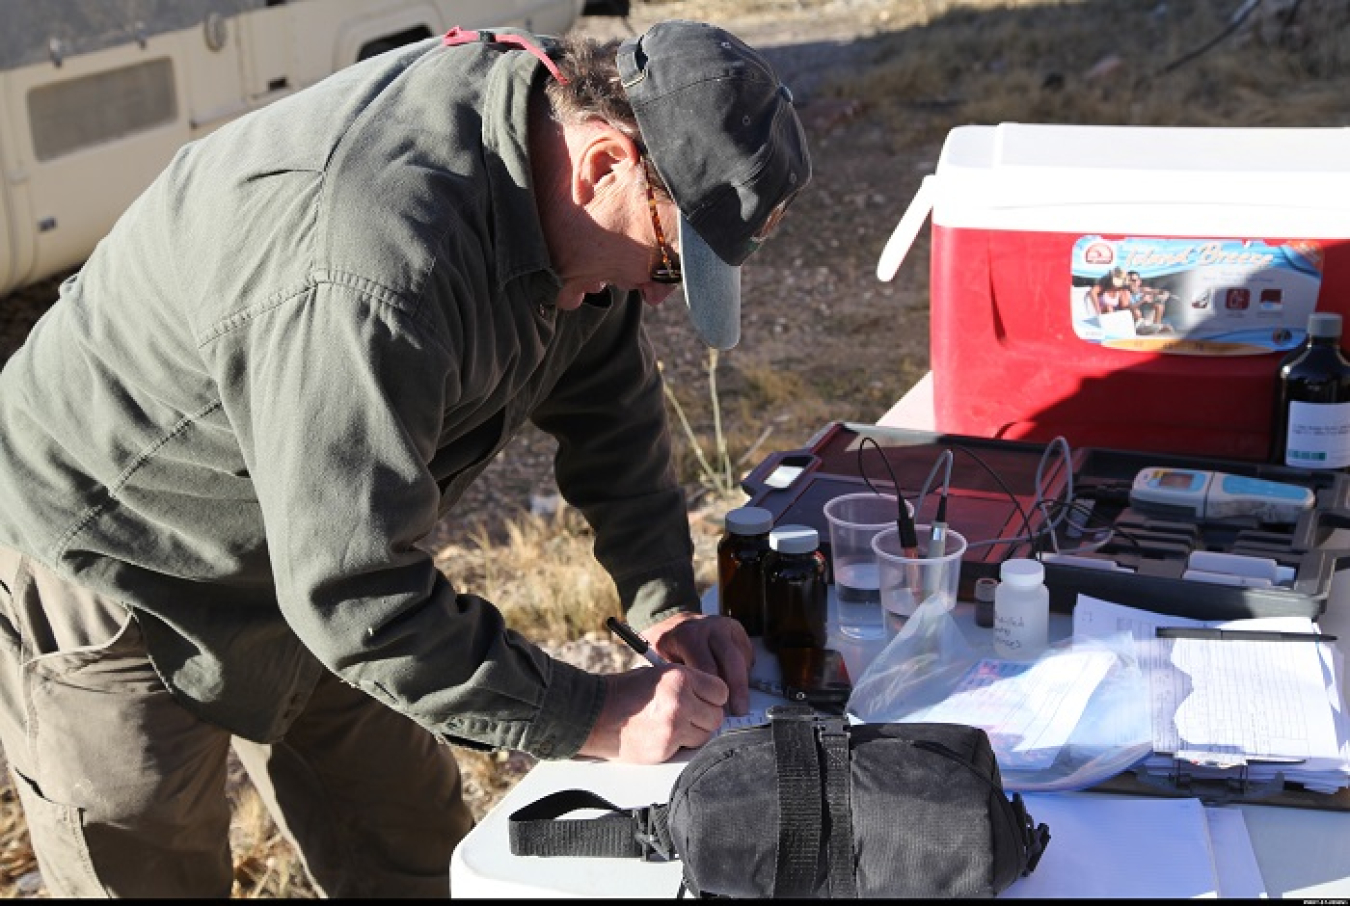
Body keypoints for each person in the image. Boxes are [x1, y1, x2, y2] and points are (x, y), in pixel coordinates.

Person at [0, 19, 810, 898]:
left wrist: (662, 606)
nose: (658, 293)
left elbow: (610, 408)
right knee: (147, 868)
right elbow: (354, 595)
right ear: (602, 164)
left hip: (322, 531)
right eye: (666, 261)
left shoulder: (562, 168)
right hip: (121, 551)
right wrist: (590, 715)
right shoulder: (373, 270)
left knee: (411, 843)